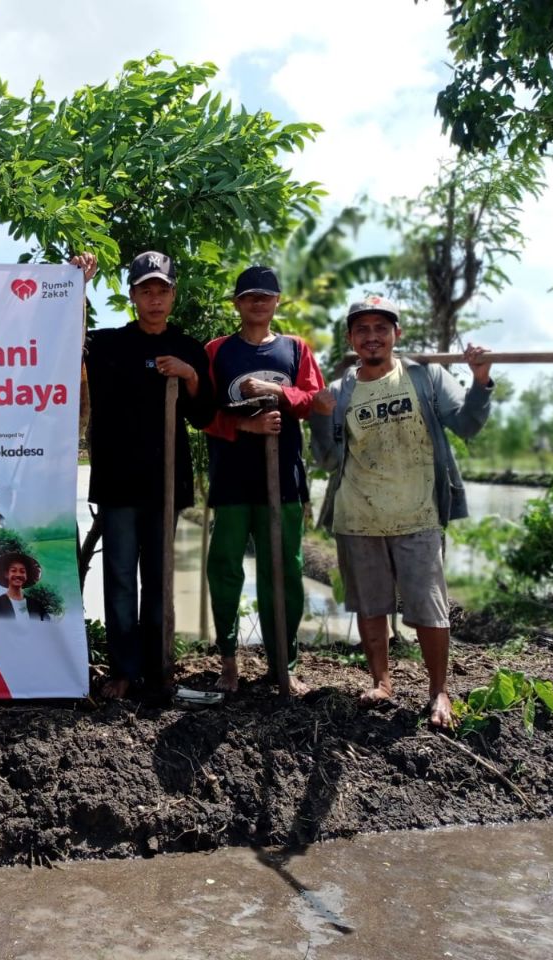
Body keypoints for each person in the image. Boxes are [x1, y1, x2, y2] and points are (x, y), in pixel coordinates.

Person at [310, 296, 493, 728]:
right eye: (362, 329)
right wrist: (319, 418)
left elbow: (466, 425)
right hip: (358, 515)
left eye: (381, 327)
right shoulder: (342, 391)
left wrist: (480, 380)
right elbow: (328, 460)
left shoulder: (426, 376)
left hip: (418, 513)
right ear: (351, 338)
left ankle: (439, 691)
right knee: (370, 605)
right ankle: (381, 680)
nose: (372, 336)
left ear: (397, 333)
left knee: (430, 608)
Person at [83, 251, 216, 700]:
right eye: (145, 291)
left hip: (166, 485)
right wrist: (76, 286)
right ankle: (123, 670)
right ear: (133, 296)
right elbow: (64, 340)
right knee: (120, 578)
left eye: (162, 290)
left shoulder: (187, 347)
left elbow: (203, 416)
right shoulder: (108, 346)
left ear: (174, 295)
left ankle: (160, 669)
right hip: (119, 485)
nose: (154, 299)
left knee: (159, 580)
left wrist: (190, 375)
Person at [203, 266, 325, 695]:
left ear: (277, 302)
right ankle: (229, 661)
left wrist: (278, 393)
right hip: (232, 482)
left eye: (266, 296)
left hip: (284, 482)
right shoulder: (217, 351)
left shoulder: (295, 350)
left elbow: (315, 401)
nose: (258, 303)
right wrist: (246, 429)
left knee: (285, 572)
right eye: (249, 296)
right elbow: (202, 415)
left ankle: (283, 665)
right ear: (237, 303)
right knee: (224, 569)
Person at [0, 552, 50, 620]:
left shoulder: (36, 605)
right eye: (13, 570)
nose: (18, 574)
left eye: (22, 571)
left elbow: (48, 627)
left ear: (26, 576)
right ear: (6, 574)